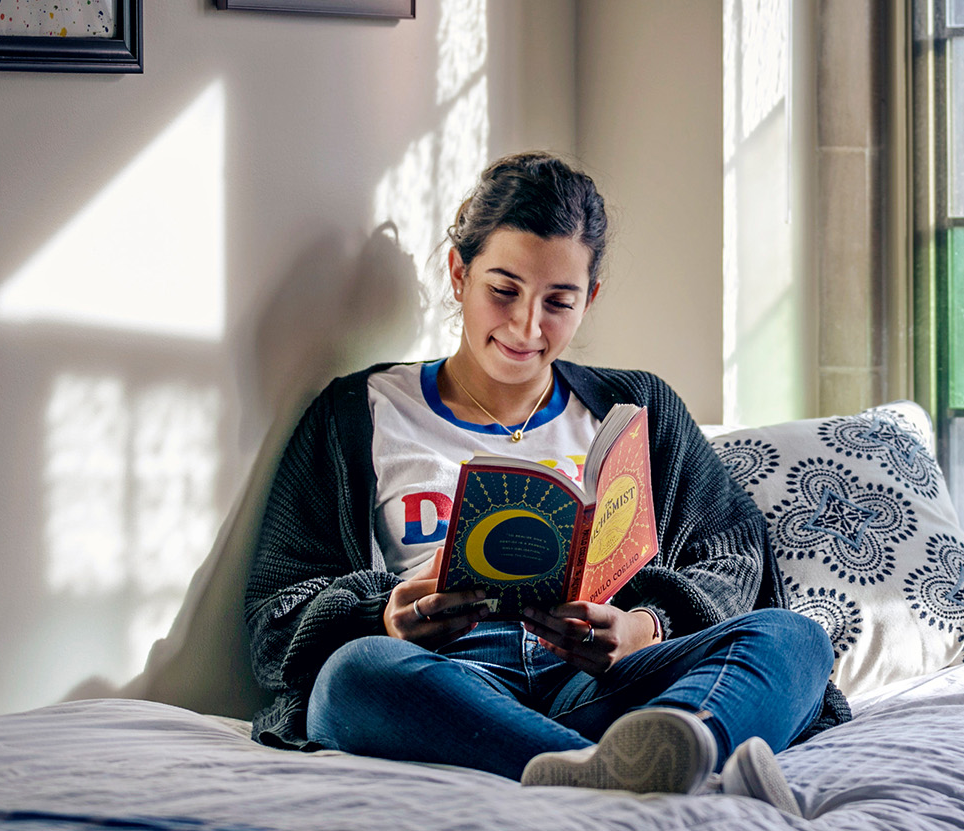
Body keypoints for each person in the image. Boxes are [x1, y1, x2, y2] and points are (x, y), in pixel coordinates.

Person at [243, 152, 848, 815]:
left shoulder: (638, 408)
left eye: (558, 301)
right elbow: (277, 610)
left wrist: (646, 625)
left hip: (605, 677)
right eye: (503, 290)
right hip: (450, 680)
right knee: (353, 677)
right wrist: (382, 615)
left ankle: (644, 754)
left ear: (588, 299)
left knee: (796, 639)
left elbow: (732, 555)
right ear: (458, 274)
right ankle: (651, 770)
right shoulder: (356, 414)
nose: (527, 327)